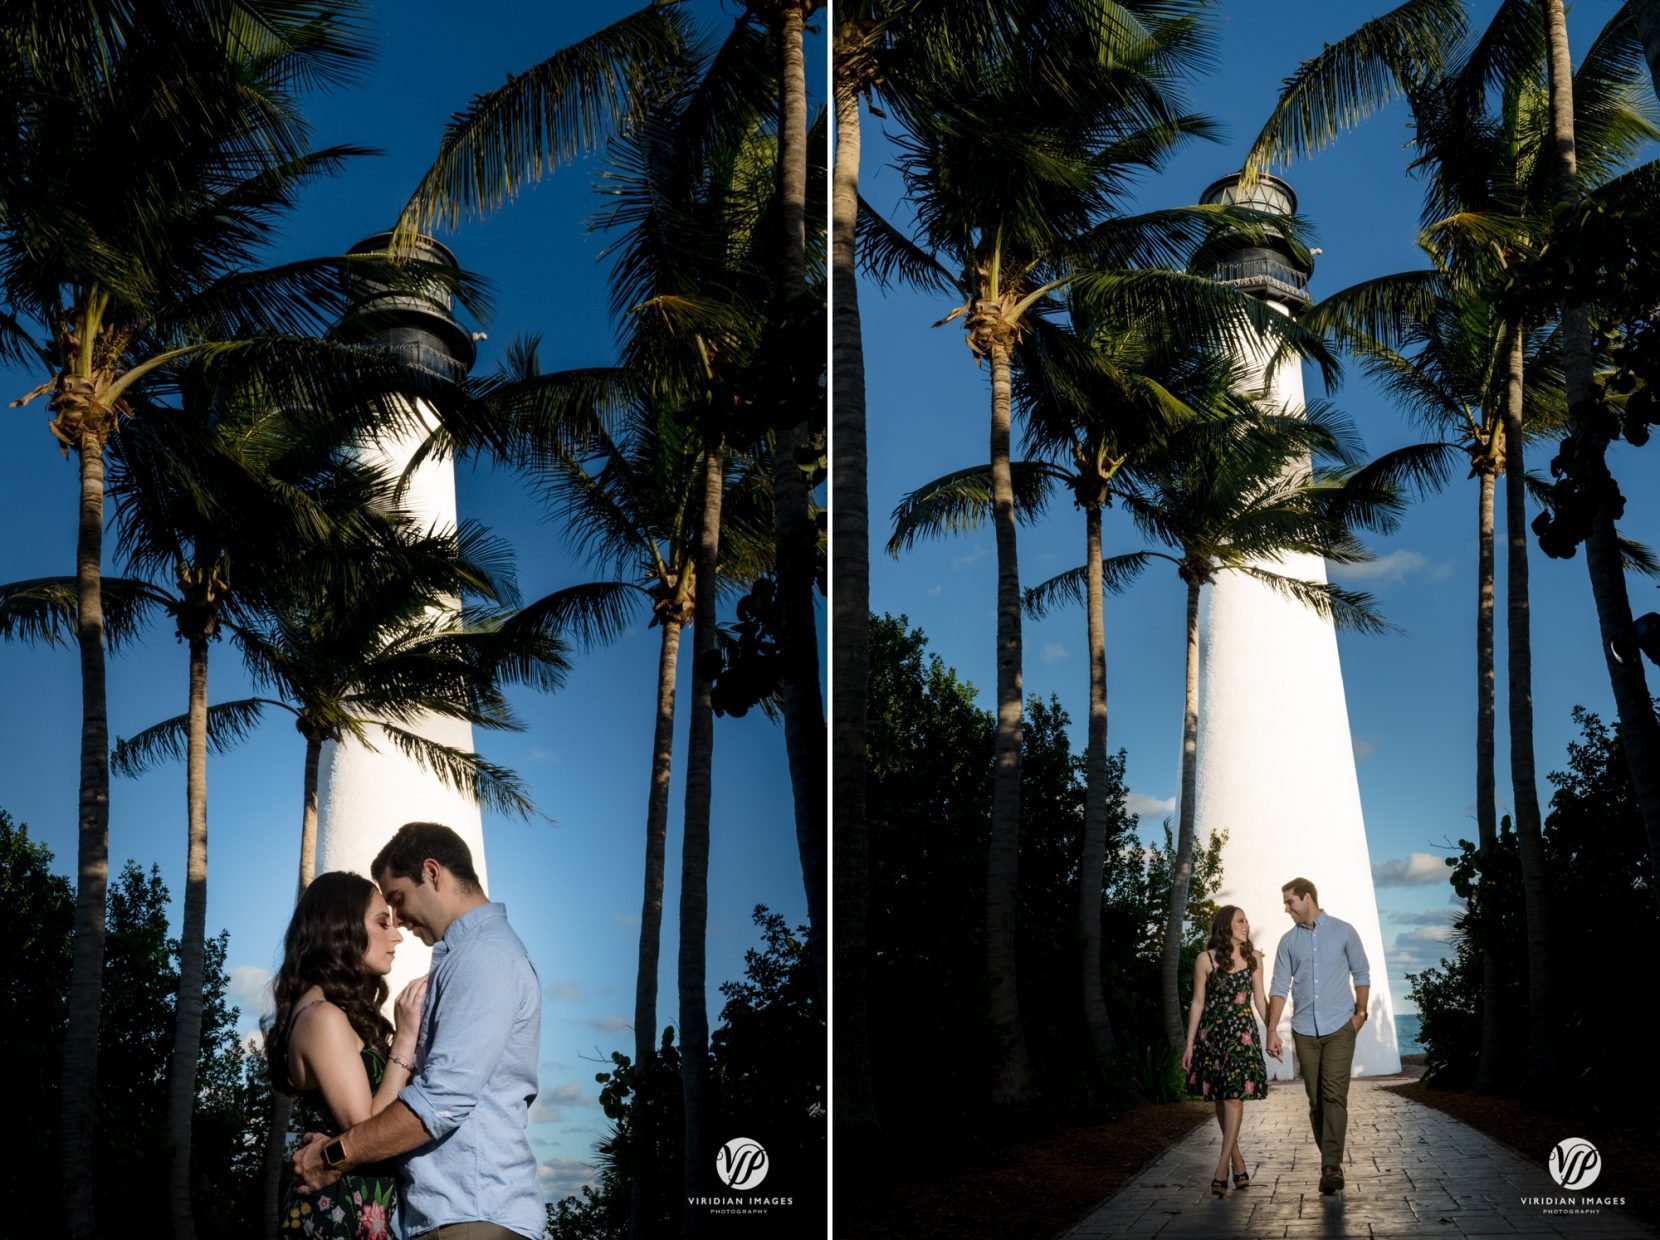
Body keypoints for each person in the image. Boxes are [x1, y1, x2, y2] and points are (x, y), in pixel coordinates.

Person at [292, 822, 542, 1240]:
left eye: (398, 900)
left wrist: (334, 1155)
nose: (400, 923)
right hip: (447, 1214)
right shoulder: (468, 957)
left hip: (469, 1215)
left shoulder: (483, 957)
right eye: (385, 914)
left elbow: (443, 1100)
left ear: (432, 873)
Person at [265, 870, 429, 1239]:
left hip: (359, 1208)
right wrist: (403, 1039)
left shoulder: (336, 1013)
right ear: (342, 928)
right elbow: (366, 1128)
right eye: (382, 922)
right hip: (336, 1213)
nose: (397, 935)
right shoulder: (322, 1017)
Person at [1264, 876, 1371, 1195]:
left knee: (1334, 1095)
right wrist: (1271, 1029)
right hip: (1304, 1032)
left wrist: (1360, 1015)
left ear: (1306, 898)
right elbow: (1279, 987)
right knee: (1315, 1101)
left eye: (1289, 902)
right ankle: (1330, 1159)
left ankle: (1330, 1167)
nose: (1286, 909)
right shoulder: (1288, 942)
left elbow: (1362, 973)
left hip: (1341, 1028)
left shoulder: (1344, 931)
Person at [1181, 904, 1277, 1197]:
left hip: (1242, 1037)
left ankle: (1221, 1168)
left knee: (1235, 1098)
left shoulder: (1254, 958)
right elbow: (1198, 1002)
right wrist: (1189, 1043)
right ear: (1226, 926)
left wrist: (1272, 1031)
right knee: (1221, 1100)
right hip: (1212, 1038)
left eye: (1247, 920)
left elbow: (1260, 1000)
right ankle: (1238, 1162)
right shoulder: (1205, 959)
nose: (1247, 925)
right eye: (1241, 921)